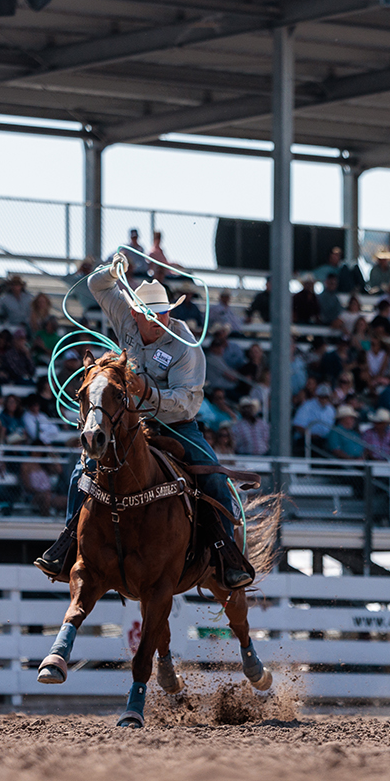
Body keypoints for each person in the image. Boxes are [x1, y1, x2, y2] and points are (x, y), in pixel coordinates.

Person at [33, 250, 254, 589]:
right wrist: (114, 268)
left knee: (212, 476)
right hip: (129, 420)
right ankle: (67, 543)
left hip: (176, 425)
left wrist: (148, 392)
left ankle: (226, 555)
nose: (157, 320)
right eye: (150, 313)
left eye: (162, 313)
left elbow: (184, 404)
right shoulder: (126, 317)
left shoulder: (186, 347)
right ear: (134, 312)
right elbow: (98, 284)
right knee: (83, 470)